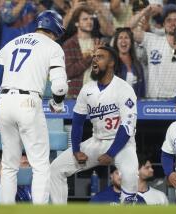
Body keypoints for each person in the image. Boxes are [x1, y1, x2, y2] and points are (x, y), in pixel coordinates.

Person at [0, 10, 68, 204]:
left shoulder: (11, 43)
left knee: (9, 166)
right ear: (56, 28)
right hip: (28, 102)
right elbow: (60, 86)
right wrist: (57, 103)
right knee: (41, 165)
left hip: (4, 103)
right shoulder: (53, 46)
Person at [50, 45, 139, 204]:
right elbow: (77, 123)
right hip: (97, 141)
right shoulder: (87, 89)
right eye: (94, 56)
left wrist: (111, 153)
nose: (95, 59)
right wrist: (76, 150)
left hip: (122, 143)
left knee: (131, 174)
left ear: (111, 63)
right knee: (56, 169)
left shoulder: (124, 89)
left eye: (100, 57)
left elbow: (127, 127)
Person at [127, 4, 176, 99]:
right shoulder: (152, 40)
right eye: (169, 20)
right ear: (163, 25)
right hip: (156, 102)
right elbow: (127, 29)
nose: (172, 23)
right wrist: (145, 11)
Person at [112, 27, 145, 98]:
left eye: (126, 38)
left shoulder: (138, 65)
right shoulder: (111, 64)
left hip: (135, 106)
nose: (123, 41)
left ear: (131, 42)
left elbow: (142, 91)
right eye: (120, 38)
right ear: (116, 42)